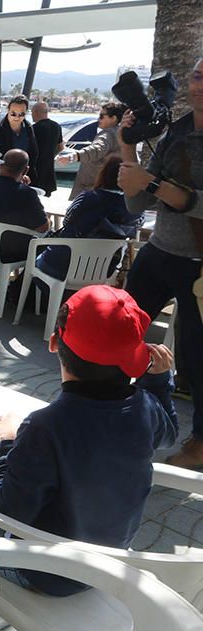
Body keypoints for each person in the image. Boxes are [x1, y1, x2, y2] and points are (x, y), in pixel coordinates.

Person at [0, 286, 176, 593]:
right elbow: (170, 433)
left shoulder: (44, 427)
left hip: (52, 576)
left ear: (54, 343)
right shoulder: (146, 408)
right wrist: (158, 382)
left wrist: (7, 443)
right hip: (112, 561)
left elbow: (6, 511)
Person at [118, 57, 203, 470]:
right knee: (119, 327)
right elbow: (136, 202)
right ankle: (101, 406)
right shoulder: (175, 133)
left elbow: (156, 189)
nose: (201, 84)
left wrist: (153, 184)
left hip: (198, 263)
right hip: (160, 251)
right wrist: (127, 146)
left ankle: (200, 444)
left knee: (198, 356)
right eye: (198, 76)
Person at [35, 156, 139, 282]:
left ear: (104, 173)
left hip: (60, 265)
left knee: (35, 258)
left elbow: (67, 221)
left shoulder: (87, 197)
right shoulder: (135, 211)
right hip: (101, 272)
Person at [0, 149, 48, 303]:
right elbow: (43, 228)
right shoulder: (26, 194)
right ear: (26, 170)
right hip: (8, 250)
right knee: (44, 243)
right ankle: (17, 290)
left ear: (1, 165)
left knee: (4, 241)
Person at [59, 102, 127, 199]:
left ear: (114, 118)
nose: (98, 119)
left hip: (89, 190)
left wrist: (73, 157)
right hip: (108, 190)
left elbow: (96, 149)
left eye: (102, 116)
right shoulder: (122, 135)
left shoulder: (107, 134)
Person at [0, 95, 40, 186]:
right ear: (8, 111)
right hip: (2, 182)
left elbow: (33, 154)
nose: (17, 117)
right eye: (13, 113)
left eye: (21, 114)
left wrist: (25, 175)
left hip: (26, 178)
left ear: (26, 113)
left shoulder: (28, 128)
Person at [31, 101, 63, 196]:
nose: (31, 115)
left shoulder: (33, 129)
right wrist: (50, 155)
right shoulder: (56, 126)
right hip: (48, 171)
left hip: (35, 171)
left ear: (36, 112)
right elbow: (61, 147)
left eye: (32, 112)